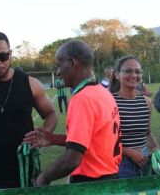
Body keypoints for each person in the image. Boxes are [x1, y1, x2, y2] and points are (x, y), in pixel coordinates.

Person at [24, 40, 121, 185]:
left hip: (90, 183)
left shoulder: (82, 98)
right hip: (110, 177)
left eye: (59, 65)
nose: (57, 72)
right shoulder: (102, 92)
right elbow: (91, 140)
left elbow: (72, 160)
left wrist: (43, 178)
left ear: (72, 62)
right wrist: (54, 139)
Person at [0, 31, 57, 189]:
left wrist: (43, 134)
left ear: (10, 54)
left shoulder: (30, 84)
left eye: (3, 56)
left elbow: (51, 114)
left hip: (24, 170)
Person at [110, 56, 160, 178]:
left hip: (144, 159)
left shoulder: (147, 102)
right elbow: (105, 141)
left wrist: (157, 150)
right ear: (117, 74)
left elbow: (147, 133)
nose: (134, 75)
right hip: (120, 163)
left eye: (137, 72)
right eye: (128, 71)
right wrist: (130, 153)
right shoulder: (110, 102)